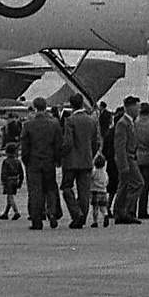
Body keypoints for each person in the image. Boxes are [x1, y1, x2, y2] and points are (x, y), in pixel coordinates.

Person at [19, 97, 63, 230]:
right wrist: (57, 160)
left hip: (33, 162)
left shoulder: (28, 124)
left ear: (34, 107)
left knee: (35, 191)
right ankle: (52, 213)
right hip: (49, 161)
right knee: (50, 189)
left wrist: (25, 160)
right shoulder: (54, 124)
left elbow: (24, 145)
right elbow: (58, 144)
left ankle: (37, 220)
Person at [61, 93, 100, 227]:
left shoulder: (70, 121)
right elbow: (96, 142)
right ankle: (82, 217)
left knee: (66, 187)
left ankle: (76, 213)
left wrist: (62, 154)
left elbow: (68, 142)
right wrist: (90, 153)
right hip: (86, 160)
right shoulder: (92, 121)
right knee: (84, 191)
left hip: (71, 161)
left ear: (71, 105)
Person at [110, 96, 142, 224]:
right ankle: (128, 211)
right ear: (130, 107)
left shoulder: (130, 122)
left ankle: (119, 212)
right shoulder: (123, 123)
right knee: (138, 183)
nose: (138, 110)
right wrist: (123, 165)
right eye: (136, 107)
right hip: (127, 159)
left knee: (123, 185)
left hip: (130, 157)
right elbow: (120, 146)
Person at [134, 102, 149, 219]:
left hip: (136, 156)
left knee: (134, 185)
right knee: (145, 186)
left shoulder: (135, 124)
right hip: (148, 157)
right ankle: (142, 210)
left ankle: (132, 209)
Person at [0, 142, 23, 221]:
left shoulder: (6, 162)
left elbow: (4, 173)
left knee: (10, 196)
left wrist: (3, 181)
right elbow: (21, 173)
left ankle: (16, 212)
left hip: (8, 180)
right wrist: (20, 182)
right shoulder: (18, 161)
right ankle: (6, 213)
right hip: (15, 179)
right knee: (9, 197)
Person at [89, 154, 110, 227]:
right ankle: (106, 215)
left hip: (95, 190)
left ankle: (95, 221)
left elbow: (90, 178)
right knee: (103, 207)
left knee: (95, 208)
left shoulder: (94, 171)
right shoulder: (105, 173)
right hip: (103, 191)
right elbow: (107, 181)